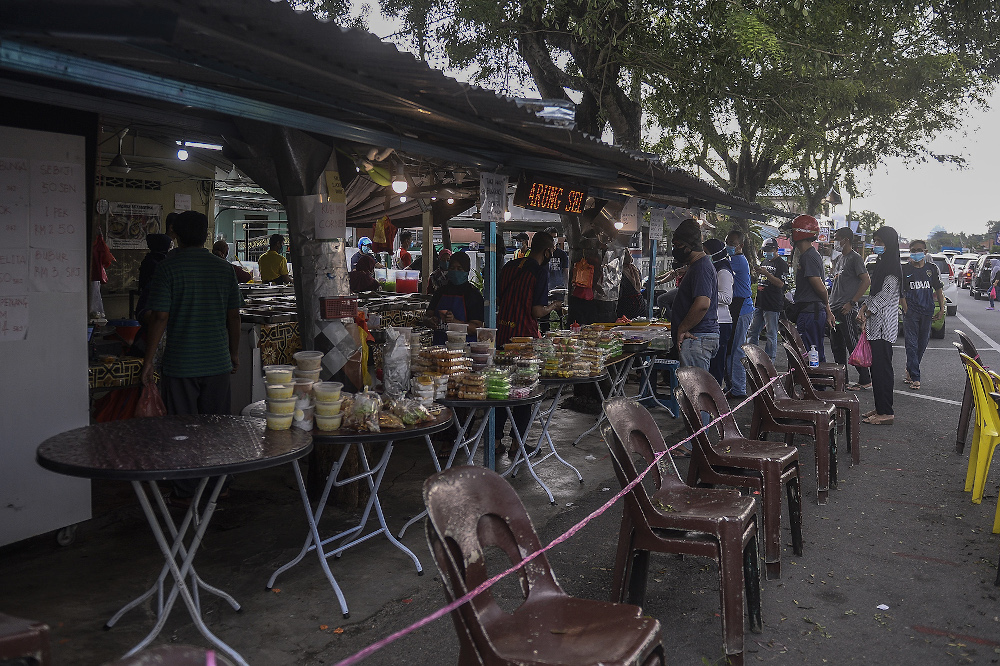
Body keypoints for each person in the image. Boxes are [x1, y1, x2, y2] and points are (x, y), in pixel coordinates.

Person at [140, 211, 243, 504]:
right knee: (217, 427)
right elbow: (233, 316)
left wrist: (148, 362)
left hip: (181, 363)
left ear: (176, 234)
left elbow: (159, 316)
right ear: (206, 234)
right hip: (217, 363)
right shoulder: (224, 268)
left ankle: (186, 491)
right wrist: (233, 352)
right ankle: (218, 486)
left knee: (184, 430)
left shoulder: (168, 267)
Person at [495, 231, 563, 455]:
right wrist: (553, 306)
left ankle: (495, 441)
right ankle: (517, 443)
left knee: (502, 389)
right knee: (524, 390)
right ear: (547, 251)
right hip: (524, 340)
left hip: (502, 335)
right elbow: (536, 311)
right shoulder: (539, 272)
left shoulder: (509, 267)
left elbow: (499, 298)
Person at [858, 226, 902, 425]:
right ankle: (880, 407)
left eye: (880, 242)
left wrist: (867, 310)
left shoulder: (892, 266)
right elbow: (875, 293)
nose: (876, 246)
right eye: (875, 242)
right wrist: (864, 306)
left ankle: (886, 412)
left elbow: (885, 295)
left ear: (890, 244)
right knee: (877, 369)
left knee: (883, 369)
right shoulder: (882, 263)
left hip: (884, 326)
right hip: (876, 325)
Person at [670, 218, 719, 372]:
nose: (675, 249)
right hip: (697, 338)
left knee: (695, 392)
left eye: (678, 246)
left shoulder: (701, 268)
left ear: (689, 246)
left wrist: (682, 328)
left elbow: (702, 304)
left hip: (696, 338)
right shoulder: (697, 266)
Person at [828, 228, 872, 389]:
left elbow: (866, 281)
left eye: (836, 238)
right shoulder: (840, 259)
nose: (834, 241)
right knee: (837, 346)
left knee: (852, 344)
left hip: (846, 309)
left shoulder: (855, 258)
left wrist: (852, 303)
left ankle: (865, 378)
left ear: (846, 239)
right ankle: (842, 379)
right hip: (834, 309)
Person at [788, 215, 835, 362]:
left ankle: (815, 384)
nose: (790, 236)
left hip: (810, 313)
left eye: (792, 231)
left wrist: (826, 305)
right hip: (811, 311)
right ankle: (815, 383)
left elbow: (819, 287)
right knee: (813, 351)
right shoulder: (809, 255)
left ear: (798, 233)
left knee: (810, 353)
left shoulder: (808, 257)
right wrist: (827, 310)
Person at [901, 239, 945, 390]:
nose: (916, 253)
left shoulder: (931, 269)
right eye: (913, 250)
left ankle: (910, 368)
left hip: (927, 311)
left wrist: (941, 309)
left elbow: (938, 289)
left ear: (925, 252)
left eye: (919, 250)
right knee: (911, 344)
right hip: (911, 312)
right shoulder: (905, 269)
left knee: (922, 343)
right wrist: (906, 309)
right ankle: (915, 376)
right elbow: (901, 292)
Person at [426, 252, 485, 344]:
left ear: (466, 271)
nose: (455, 271)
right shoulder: (440, 292)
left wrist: (454, 322)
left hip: (464, 348)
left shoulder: (473, 295)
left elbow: (476, 328)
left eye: (459, 269)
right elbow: (427, 315)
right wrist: (430, 321)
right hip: (440, 347)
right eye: (452, 268)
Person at [724, 230, 754, 399]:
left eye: (732, 244)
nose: (728, 247)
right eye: (726, 243)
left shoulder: (738, 261)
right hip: (737, 307)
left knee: (737, 350)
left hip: (742, 308)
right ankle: (733, 385)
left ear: (741, 246)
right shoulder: (732, 260)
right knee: (732, 348)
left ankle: (739, 388)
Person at [747, 237, 787, 363]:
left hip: (773, 304)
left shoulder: (781, 264)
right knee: (753, 331)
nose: (766, 252)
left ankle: (770, 361)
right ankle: (752, 356)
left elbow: (781, 284)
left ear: (776, 249)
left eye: (769, 250)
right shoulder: (764, 262)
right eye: (765, 250)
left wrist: (767, 274)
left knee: (771, 334)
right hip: (760, 303)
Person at [703, 238, 734, 386]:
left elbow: (727, 298)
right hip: (713, 320)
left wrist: (706, 295)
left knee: (716, 365)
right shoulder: (713, 267)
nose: (704, 255)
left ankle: (716, 400)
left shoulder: (723, 271)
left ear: (715, 253)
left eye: (706, 252)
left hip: (722, 322)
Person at [616, 251, 647, 320]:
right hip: (639, 301)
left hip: (627, 304)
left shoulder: (620, 272)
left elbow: (620, 291)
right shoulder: (634, 268)